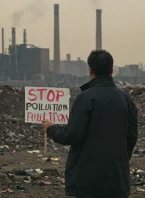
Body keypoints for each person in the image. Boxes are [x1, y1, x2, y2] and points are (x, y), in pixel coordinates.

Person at [42, 49, 138, 198]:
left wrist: (51, 129)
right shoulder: (125, 100)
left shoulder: (85, 99)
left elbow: (72, 135)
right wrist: (120, 159)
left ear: (90, 71)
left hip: (87, 181)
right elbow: (132, 136)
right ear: (112, 70)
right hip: (117, 180)